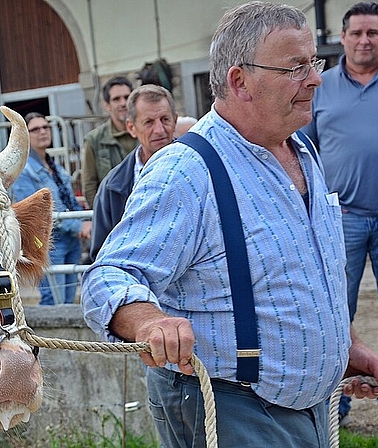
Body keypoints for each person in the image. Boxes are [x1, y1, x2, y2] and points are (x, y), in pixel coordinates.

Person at [81, 2, 378, 447]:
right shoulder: (186, 171)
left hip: (307, 408)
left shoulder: (302, 151)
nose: (316, 78)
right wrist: (148, 322)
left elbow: (311, 272)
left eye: (313, 63)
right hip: (232, 409)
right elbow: (109, 277)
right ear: (240, 81)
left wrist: (343, 346)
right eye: (296, 68)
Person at [301, 1, 378, 425]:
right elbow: (301, 149)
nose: (365, 40)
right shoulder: (321, 87)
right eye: (358, 33)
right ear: (343, 37)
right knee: (335, 312)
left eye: (373, 33)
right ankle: (337, 405)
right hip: (341, 219)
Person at [89, 84, 177, 260]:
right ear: (131, 127)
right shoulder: (112, 187)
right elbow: (102, 254)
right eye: (149, 122)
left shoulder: (201, 168)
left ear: (175, 120)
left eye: (165, 119)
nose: (159, 130)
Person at [12, 113, 91, 305]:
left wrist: (81, 222)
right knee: (53, 298)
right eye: (35, 129)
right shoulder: (24, 170)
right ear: (26, 136)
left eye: (46, 127)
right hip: (49, 241)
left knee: (68, 296)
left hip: (70, 240)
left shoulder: (53, 165)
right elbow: (38, 213)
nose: (43, 132)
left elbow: (68, 199)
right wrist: (78, 225)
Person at [81, 76, 138, 208]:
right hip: (114, 214)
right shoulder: (94, 140)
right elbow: (90, 185)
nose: (123, 103)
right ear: (107, 106)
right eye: (116, 99)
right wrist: (103, 215)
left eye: (127, 97)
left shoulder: (146, 133)